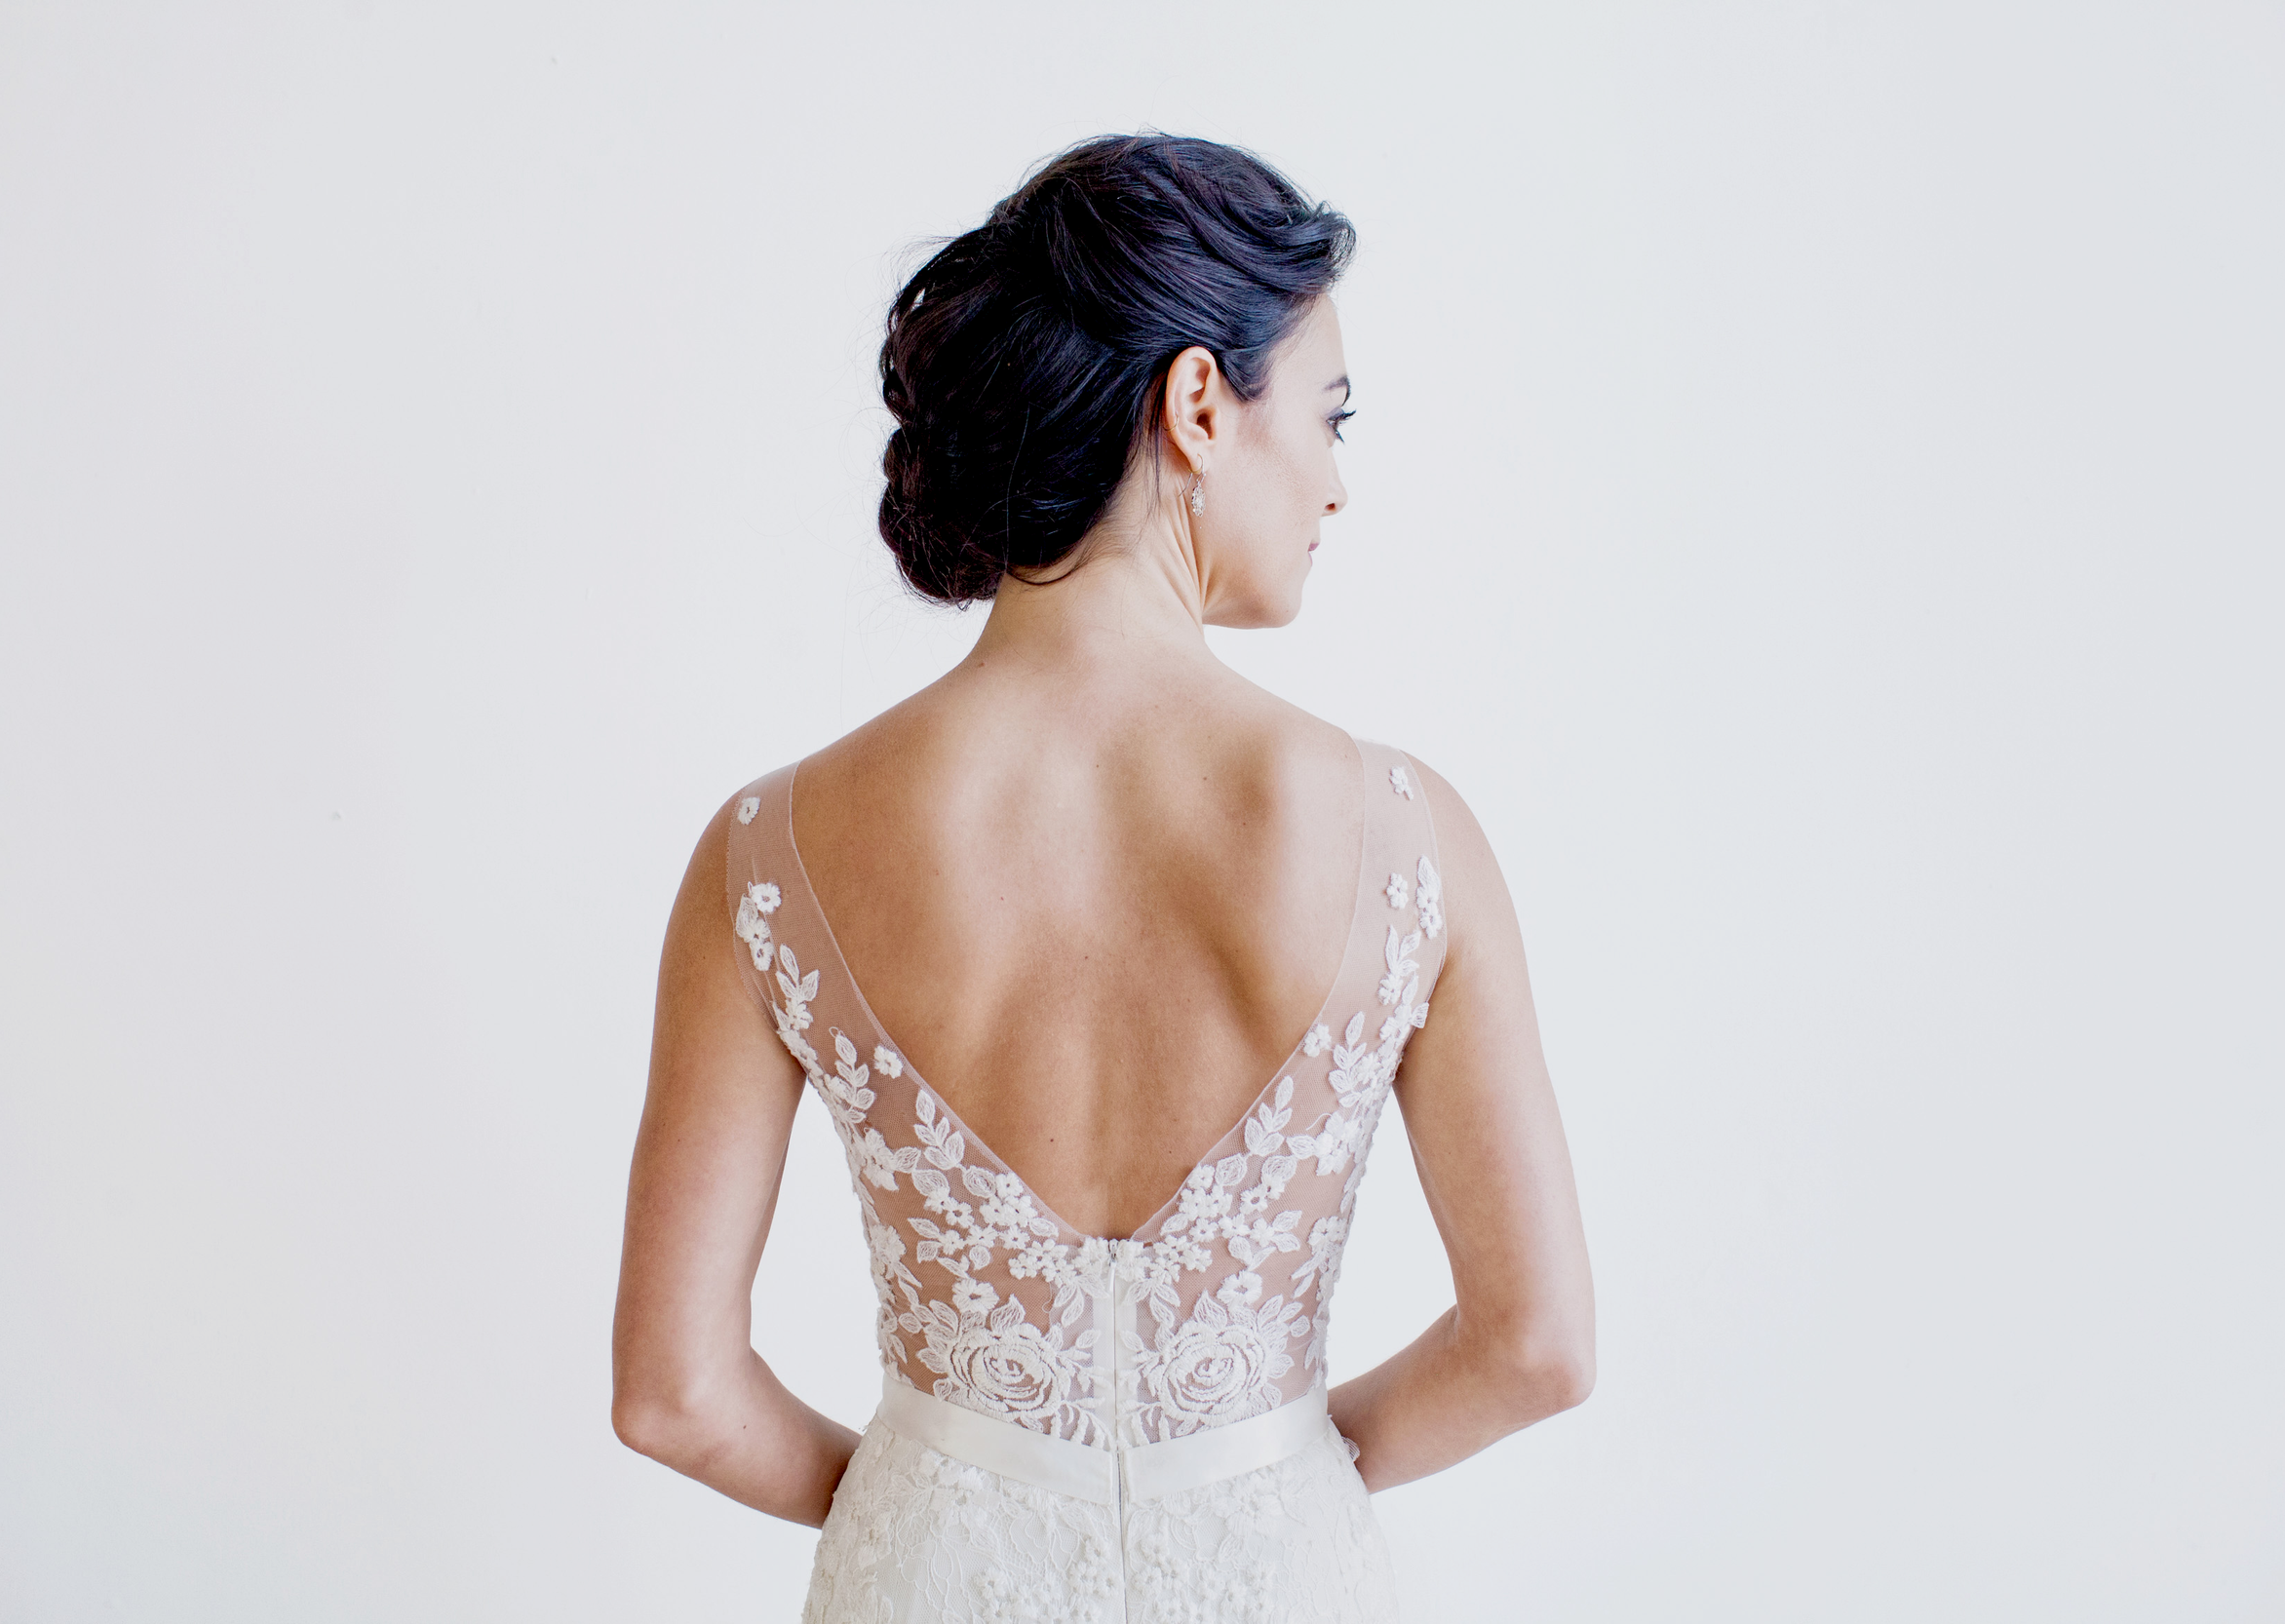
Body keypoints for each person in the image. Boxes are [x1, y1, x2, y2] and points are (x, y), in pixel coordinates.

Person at [610, 133, 1595, 1623]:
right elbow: (1538, 1343)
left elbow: (674, 1390)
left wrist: (936, 1491)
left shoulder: (770, 849)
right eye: (1328, 416)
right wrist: (1266, 1473)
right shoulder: (1406, 838)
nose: (1337, 484)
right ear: (1199, 405)